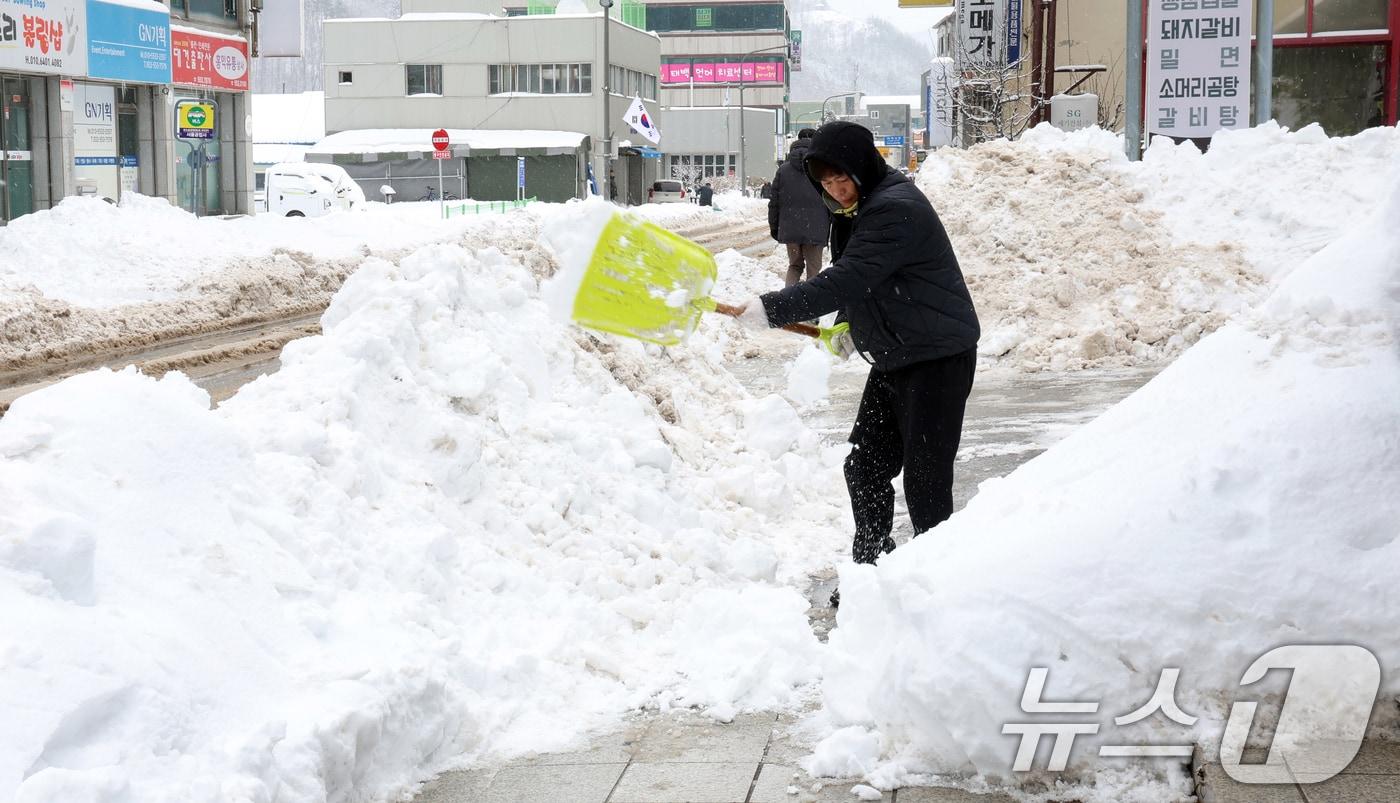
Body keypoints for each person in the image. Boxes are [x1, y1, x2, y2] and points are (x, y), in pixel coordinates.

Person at [738, 121, 980, 606]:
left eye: (841, 178)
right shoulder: (856, 208)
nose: (835, 189)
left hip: (936, 356)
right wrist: (850, 323)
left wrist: (772, 309)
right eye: (825, 183)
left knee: (925, 480)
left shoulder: (894, 209)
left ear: (863, 165)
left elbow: (848, 276)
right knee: (865, 467)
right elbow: (864, 282)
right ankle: (873, 573)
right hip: (895, 356)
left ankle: (939, 591)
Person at [768, 128, 830, 287]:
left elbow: (774, 202)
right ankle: (809, 307)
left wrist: (775, 227)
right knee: (814, 270)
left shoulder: (783, 170)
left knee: (794, 266)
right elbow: (832, 199)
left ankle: (789, 300)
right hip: (817, 228)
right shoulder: (822, 168)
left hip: (791, 228)